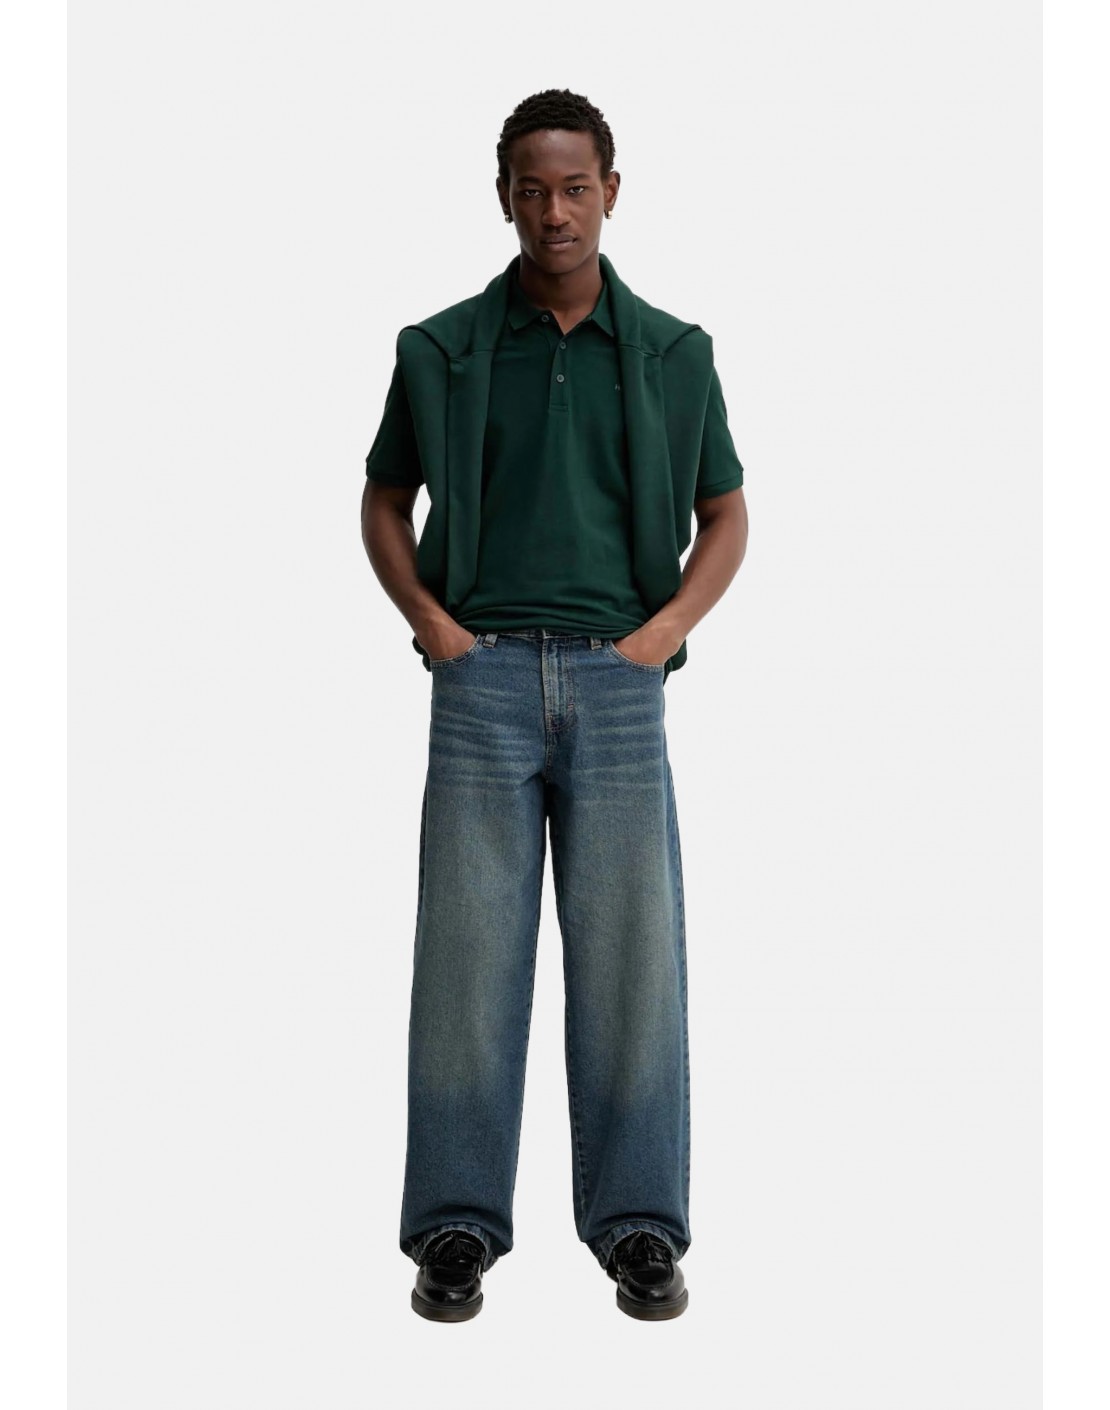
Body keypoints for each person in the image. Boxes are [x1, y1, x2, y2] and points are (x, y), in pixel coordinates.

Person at [360, 88, 749, 1322]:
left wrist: (662, 637)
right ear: (505, 199)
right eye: (533, 190)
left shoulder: (677, 353)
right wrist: (432, 625)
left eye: (576, 187)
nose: (556, 212)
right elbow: (383, 497)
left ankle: (639, 1226)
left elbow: (725, 511)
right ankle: (455, 1226)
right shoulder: (439, 349)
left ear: (611, 192)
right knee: (468, 961)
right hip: (479, 679)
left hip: (619, 685)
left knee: (634, 965)